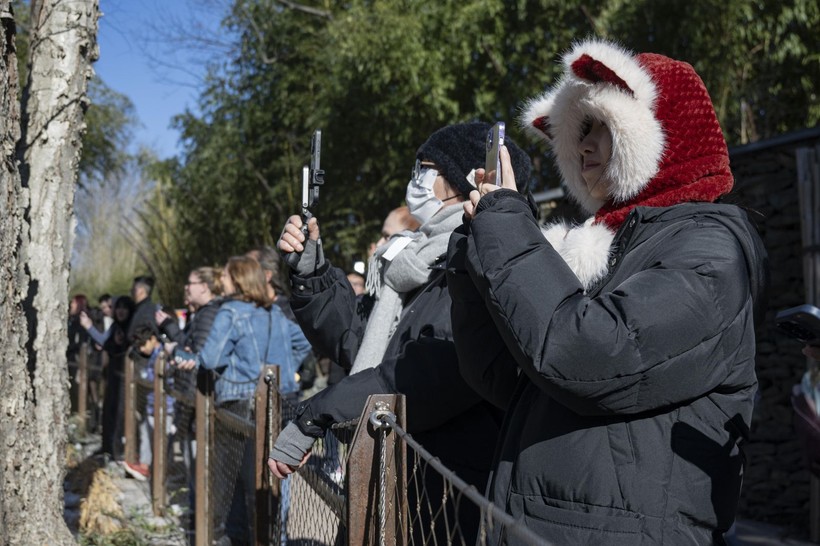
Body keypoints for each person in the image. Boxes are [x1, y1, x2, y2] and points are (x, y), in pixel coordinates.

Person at [446, 39, 768, 545]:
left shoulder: (710, 251)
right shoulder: (600, 247)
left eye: (601, 126)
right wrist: (475, 254)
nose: (583, 145)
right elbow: (505, 377)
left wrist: (507, 227)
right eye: (580, 130)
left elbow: (587, 355)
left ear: (662, 132)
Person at [270, 122, 532, 544]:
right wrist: (313, 274)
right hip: (386, 471)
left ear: (467, 178)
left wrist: (315, 414)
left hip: (438, 501)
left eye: (424, 168)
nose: (415, 180)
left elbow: (425, 374)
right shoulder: (414, 261)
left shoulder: (481, 257)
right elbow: (360, 346)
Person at [173, 256, 278, 546]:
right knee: (259, 481)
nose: (222, 281)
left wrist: (191, 359)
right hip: (269, 400)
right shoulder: (272, 312)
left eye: (227, 276)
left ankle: (229, 538)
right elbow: (297, 346)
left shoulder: (230, 312)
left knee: (228, 482)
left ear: (239, 280)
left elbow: (210, 358)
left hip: (234, 400)